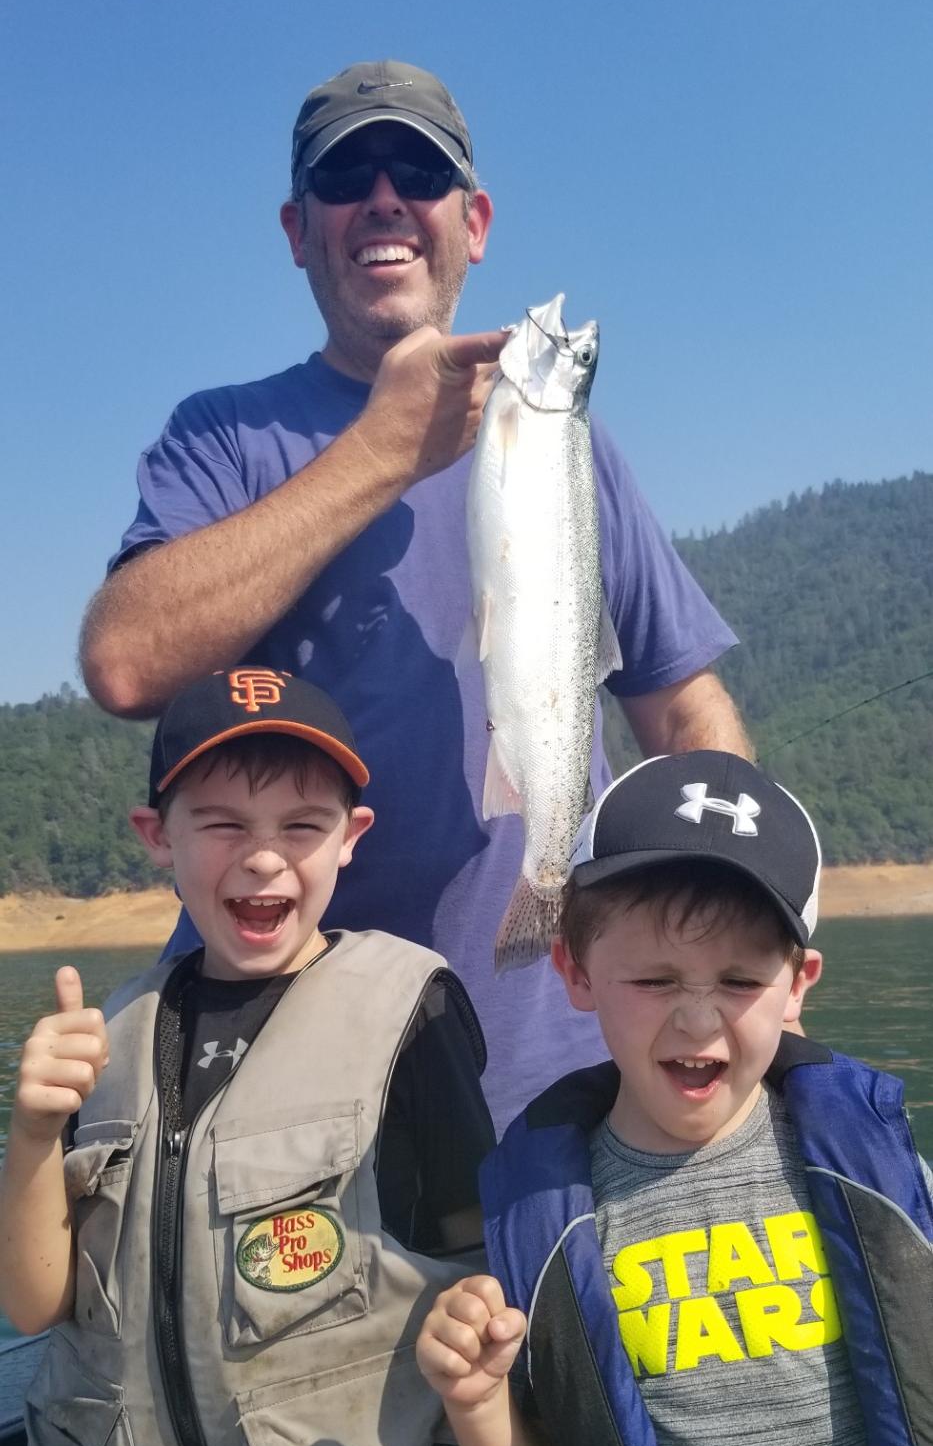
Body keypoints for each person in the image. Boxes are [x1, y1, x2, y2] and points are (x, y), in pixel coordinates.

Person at [79, 59, 752, 1134]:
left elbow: (682, 711)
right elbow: (124, 661)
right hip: (292, 1093)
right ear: (299, 230)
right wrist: (380, 452)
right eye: (348, 175)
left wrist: (741, 904)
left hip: (568, 1075)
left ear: (473, 221)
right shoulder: (222, 436)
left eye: (420, 172)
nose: (385, 198)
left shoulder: (567, 446)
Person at [0, 666, 573, 1446]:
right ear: (158, 838)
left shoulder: (410, 1015)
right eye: (223, 823)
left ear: (351, 841)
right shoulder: (109, 1034)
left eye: (301, 827)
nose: (263, 859)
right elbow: (34, 1306)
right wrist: (31, 1133)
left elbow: (481, 1268)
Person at [416, 750, 933, 1446]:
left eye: (737, 983)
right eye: (653, 981)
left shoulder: (882, 1175)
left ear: (798, 981)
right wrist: (476, 1401)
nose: (697, 1024)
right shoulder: (550, 1224)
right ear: (574, 971)